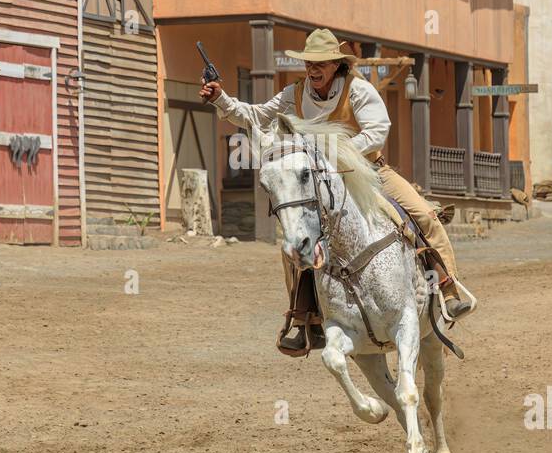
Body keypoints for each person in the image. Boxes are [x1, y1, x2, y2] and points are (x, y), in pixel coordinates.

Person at [199, 28, 473, 356]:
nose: (313, 69)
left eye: (321, 63)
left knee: (424, 216)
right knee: (295, 243)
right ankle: (303, 318)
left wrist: (336, 153)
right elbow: (257, 117)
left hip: (370, 172)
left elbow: (377, 131)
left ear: (336, 65)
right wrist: (221, 99)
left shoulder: (358, 91)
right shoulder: (293, 93)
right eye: (309, 63)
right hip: (319, 182)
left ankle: (447, 289)